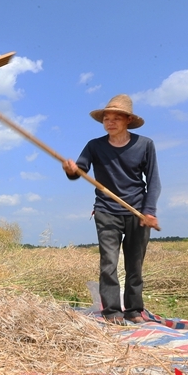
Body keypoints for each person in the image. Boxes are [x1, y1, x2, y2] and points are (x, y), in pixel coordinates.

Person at [62, 94, 160, 324]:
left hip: (137, 211)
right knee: (108, 263)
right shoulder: (94, 146)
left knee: (135, 263)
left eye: (116, 118)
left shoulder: (145, 144)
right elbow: (79, 172)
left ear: (128, 120)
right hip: (106, 210)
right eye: (107, 118)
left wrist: (150, 211)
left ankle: (134, 310)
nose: (110, 122)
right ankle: (113, 313)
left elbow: (154, 180)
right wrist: (70, 169)